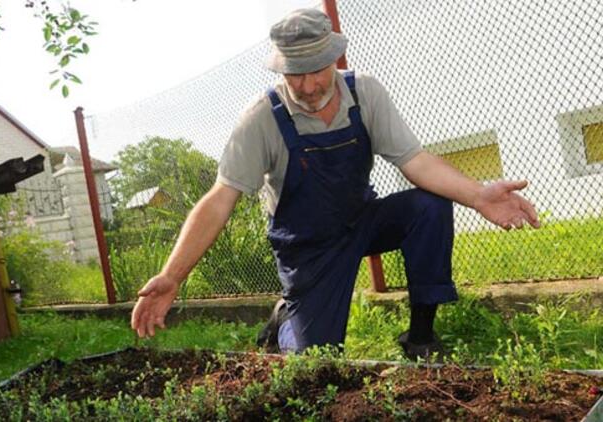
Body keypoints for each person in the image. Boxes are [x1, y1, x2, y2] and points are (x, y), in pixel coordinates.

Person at [131, 8, 540, 360]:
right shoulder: (261, 118)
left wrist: (478, 195)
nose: (308, 87)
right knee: (319, 361)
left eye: (316, 71)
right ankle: (286, 320)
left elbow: (415, 161)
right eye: (295, 74)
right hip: (307, 246)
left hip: (361, 220)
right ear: (282, 68)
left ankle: (421, 338)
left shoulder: (364, 93)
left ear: (334, 57)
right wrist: (172, 276)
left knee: (429, 206)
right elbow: (221, 198)